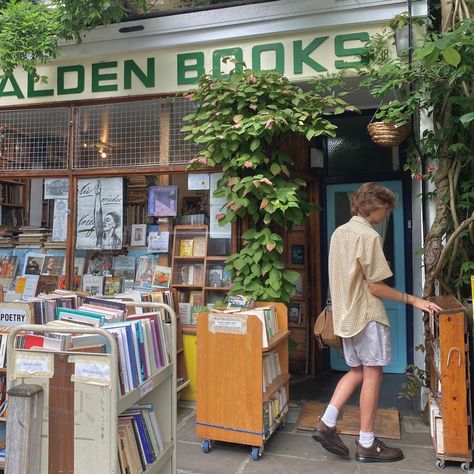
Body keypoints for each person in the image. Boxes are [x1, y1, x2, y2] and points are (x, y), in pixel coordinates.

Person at [312, 182, 442, 463]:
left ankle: (327, 422)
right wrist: (413, 299)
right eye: (387, 209)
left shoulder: (339, 233)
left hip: (347, 317)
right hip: (368, 316)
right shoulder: (368, 236)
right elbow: (376, 287)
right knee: (372, 375)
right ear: (377, 206)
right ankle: (367, 443)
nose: (387, 215)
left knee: (356, 371)